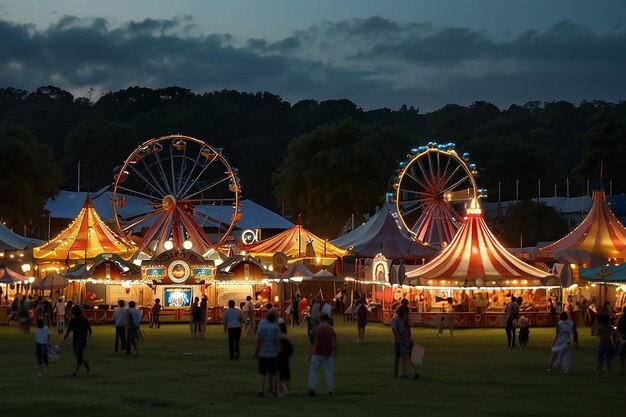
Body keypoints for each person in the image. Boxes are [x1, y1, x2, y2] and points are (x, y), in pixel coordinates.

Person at [252, 308, 281, 397]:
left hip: (263, 353)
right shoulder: (276, 327)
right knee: (273, 373)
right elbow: (277, 341)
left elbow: (258, 341)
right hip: (273, 354)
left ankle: (261, 390)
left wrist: (255, 353)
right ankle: (274, 391)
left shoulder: (262, 326)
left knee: (262, 373)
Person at [307, 313, 337, 396]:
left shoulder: (316, 329)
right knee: (329, 372)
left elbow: (314, 343)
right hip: (327, 353)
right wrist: (334, 352)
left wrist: (309, 355)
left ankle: (311, 389)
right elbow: (333, 343)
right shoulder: (330, 329)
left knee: (313, 372)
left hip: (317, 353)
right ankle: (330, 390)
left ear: (319, 320)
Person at [63, 305, 92, 377]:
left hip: (81, 340)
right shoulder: (75, 321)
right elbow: (90, 330)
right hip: (76, 340)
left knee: (77, 354)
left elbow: (68, 331)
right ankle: (86, 365)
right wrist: (89, 336)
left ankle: (76, 372)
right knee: (78, 355)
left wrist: (64, 338)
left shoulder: (80, 321)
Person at [391, 307, 419, 379]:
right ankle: (412, 372)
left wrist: (409, 339)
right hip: (400, 341)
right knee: (405, 357)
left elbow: (407, 330)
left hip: (405, 341)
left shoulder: (404, 320)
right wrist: (400, 339)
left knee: (406, 357)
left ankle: (405, 372)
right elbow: (395, 330)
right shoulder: (396, 320)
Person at [277, 321, 293, 395]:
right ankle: (287, 388)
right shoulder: (288, 337)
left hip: (279, 357)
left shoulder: (278, 337)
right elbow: (291, 347)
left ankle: (281, 390)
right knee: (286, 373)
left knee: (281, 374)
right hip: (286, 357)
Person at [617, 307, 626, 376]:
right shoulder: (622, 318)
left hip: (623, 337)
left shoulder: (622, 318)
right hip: (623, 337)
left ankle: (622, 370)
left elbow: (619, 328)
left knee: (621, 356)